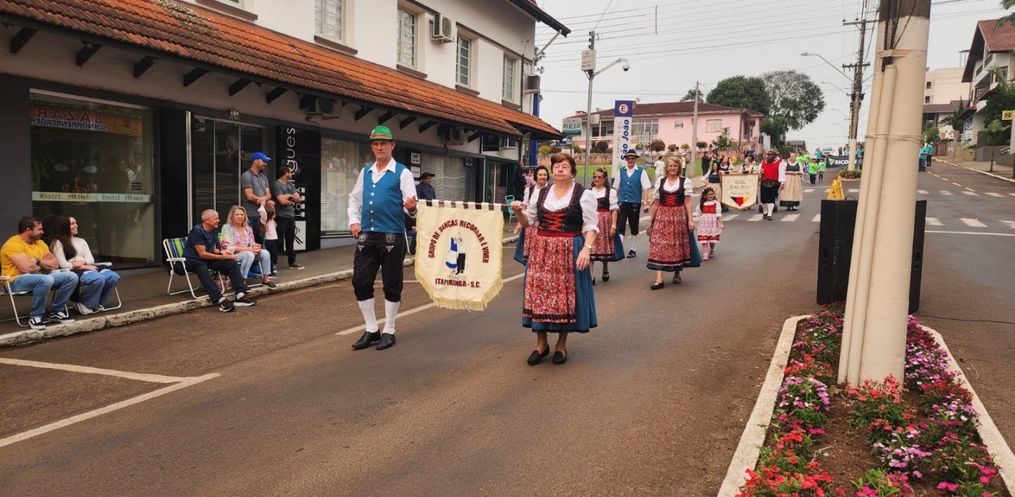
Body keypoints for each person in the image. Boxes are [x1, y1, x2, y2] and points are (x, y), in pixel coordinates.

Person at [510, 153, 597, 366]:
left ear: (572, 172)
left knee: (564, 297)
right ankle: (541, 344)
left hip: (569, 248)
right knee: (539, 295)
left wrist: (586, 250)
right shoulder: (541, 193)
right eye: (556, 166)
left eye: (564, 166)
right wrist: (518, 212)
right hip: (542, 250)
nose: (559, 169)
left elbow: (590, 226)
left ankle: (561, 345)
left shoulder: (583, 194)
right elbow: (528, 221)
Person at [347, 125, 418, 351]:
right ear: (372, 147)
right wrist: (353, 221)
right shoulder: (366, 171)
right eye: (376, 144)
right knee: (360, 281)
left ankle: (389, 329)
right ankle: (371, 329)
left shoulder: (403, 173)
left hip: (392, 236)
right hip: (367, 235)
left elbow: (412, 207)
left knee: (392, 283)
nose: (379, 147)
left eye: (383, 144)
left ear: (392, 145)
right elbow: (354, 198)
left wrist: (412, 208)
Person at [1, 216, 77, 329]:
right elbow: (26, 268)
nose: (43, 232)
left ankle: (56, 311)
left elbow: (55, 264)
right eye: (40, 229)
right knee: (46, 279)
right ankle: (36, 316)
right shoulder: (13, 244)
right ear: (28, 230)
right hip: (15, 281)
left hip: (40, 276)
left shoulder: (40, 243)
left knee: (71, 276)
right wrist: (43, 264)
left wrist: (38, 261)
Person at [184, 209, 257, 312]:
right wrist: (223, 257)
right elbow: (202, 254)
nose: (218, 220)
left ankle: (240, 295)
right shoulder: (197, 231)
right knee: (201, 268)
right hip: (191, 260)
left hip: (206, 260)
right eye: (216, 219)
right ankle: (220, 299)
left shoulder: (213, 229)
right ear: (207, 221)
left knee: (231, 262)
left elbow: (213, 249)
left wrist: (223, 252)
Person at [47, 215, 121, 314]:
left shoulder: (81, 241)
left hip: (89, 267)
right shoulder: (58, 243)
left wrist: (82, 263)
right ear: (64, 226)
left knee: (113, 276)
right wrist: (81, 266)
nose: (76, 225)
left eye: (76, 223)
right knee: (97, 278)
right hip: (72, 271)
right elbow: (63, 264)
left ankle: (98, 303)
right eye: (72, 224)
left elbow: (90, 259)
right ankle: (84, 303)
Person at [647, 158, 695, 289]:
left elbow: (688, 202)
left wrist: (690, 219)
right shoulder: (661, 182)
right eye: (670, 166)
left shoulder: (685, 182)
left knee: (676, 244)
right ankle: (659, 279)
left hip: (678, 216)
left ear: (678, 168)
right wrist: (651, 221)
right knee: (658, 244)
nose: (672, 168)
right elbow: (656, 203)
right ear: (666, 168)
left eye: (675, 166)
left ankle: (677, 272)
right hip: (662, 216)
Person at [220, 205, 276, 289]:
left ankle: (265, 279)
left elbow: (252, 243)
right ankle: (241, 281)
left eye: (242, 214)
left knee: (265, 253)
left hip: (249, 253)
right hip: (233, 255)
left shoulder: (248, 228)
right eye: (237, 214)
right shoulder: (227, 228)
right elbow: (227, 247)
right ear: (232, 216)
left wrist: (256, 246)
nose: (240, 216)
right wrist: (248, 249)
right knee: (249, 254)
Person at [613, 150, 652, 258]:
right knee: (620, 225)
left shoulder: (641, 171)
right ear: (626, 159)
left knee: (633, 225)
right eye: (628, 159)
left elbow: (646, 188)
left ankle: (633, 249)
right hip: (622, 202)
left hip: (634, 203)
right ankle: (620, 248)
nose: (630, 160)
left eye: (632, 158)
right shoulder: (621, 171)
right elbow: (616, 188)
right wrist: (613, 202)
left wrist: (645, 202)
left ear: (636, 159)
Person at [588, 167, 623, 283]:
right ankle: (591, 275)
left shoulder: (610, 192)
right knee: (590, 247)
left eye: (599, 177)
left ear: (604, 179)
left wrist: (613, 226)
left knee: (604, 247)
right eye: (595, 177)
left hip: (604, 223)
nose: (596, 179)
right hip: (592, 222)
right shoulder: (589, 192)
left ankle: (605, 268)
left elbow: (614, 210)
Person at [512, 165, 549, 264]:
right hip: (530, 227)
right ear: (536, 176)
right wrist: (519, 223)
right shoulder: (530, 190)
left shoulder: (551, 190)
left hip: (544, 227)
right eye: (540, 175)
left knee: (543, 254)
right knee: (531, 254)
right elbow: (524, 206)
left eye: (545, 175)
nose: (542, 177)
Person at [272, 166, 304, 270]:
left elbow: (298, 199)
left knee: (290, 239)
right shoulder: (277, 184)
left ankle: (292, 262)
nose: (292, 174)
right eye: (290, 172)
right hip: (281, 216)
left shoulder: (290, 184)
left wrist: (288, 197)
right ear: (286, 173)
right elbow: (282, 201)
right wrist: (291, 198)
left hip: (291, 216)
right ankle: (273, 263)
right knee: (278, 240)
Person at [241, 152, 272, 245]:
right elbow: (249, 196)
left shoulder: (263, 176)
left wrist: (264, 199)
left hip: (262, 215)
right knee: (249, 242)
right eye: (263, 161)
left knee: (260, 241)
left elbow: (269, 194)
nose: (265, 164)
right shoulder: (246, 175)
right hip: (250, 215)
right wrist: (263, 199)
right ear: (256, 161)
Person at [694, 187, 724, 261]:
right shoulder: (701, 204)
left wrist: (721, 224)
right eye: (709, 194)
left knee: (712, 240)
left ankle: (712, 249)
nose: (711, 195)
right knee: (704, 240)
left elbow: (719, 215)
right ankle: (705, 254)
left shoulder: (716, 203)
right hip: (704, 225)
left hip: (713, 224)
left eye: (712, 194)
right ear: (705, 196)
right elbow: (698, 214)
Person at [759, 150, 786, 220]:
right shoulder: (763, 163)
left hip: (774, 183)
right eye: (768, 155)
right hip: (764, 182)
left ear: (774, 156)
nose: (769, 156)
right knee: (763, 199)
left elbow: (782, 173)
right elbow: (759, 173)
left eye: (771, 155)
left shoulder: (779, 163)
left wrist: (782, 183)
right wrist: (760, 172)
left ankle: (769, 214)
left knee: (771, 198)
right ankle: (765, 212)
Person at [258, 200, 279, 276]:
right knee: (270, 256)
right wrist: (262, 205)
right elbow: (262, 211)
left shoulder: (272, 220)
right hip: (268, 240)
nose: (274, 215)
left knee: (274, 255)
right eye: (273, 214)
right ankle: (269, 272)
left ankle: (271, 269)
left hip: (273, 240)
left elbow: (272, 211)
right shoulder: (264, 221)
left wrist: (272, 206)